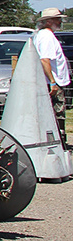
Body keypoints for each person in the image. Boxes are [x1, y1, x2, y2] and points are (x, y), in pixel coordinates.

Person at [34, 8, 70, 146]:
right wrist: (53, 82)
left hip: (52, 81)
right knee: (57, 113)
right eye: (57, 19)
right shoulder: (46, 36)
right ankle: (59, 142)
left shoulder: (44, 35)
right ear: (48, 21)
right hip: (52, 82)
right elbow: (45, 59)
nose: (60, 21)